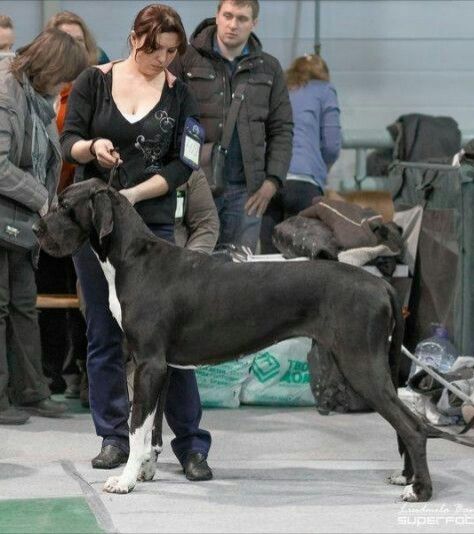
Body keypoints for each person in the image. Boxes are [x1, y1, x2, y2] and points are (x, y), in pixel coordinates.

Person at [60, 4, 213, 481]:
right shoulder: (93, 81)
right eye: (154, 50)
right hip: (97, 232)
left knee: (175, 341)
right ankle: (114, 438)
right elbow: (68, 141)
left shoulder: (180, 94)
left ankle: (191, 444)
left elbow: (185, 164)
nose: (163, 60)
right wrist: (91, 148)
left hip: (153, 228)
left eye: (171, 51)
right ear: (133, 40)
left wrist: (134, 194)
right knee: (103, 333)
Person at [0, 29, 88, 425]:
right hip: (10, 212)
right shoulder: (6, 93)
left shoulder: (37, 97)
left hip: (21, 220)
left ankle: (31, 391)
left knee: (23, 305)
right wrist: (41, 196)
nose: (65, 85)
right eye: (64, 76)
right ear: (50, 67)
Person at [170, 0, 293, 253]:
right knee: (191, 266)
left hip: (248, 191)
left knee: (239, 270)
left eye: (242, 18)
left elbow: (282, 128)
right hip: (194, 183)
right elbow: (166, 117)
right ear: (217, 16)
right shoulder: (185, 59)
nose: (233, 24)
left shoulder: (269, 68)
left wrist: (273, 181)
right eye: (228, 15)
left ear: (254, 23)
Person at [36, 11, 110, 401]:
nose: (72, 46)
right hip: (45, 204)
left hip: (81, 205)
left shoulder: (100, 84)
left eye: (78, 40)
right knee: (48, 292)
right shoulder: (40, 89)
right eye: (64, 38)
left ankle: (85, 373)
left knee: (87, 296)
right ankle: (50, 372)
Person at [260, 53, 342, 253]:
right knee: (301, 258)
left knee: (269, 259)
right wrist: (320, 168)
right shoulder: (325, 90)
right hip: (305, 184)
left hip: (270, 182)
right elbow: (332, 145)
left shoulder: (277, 91)